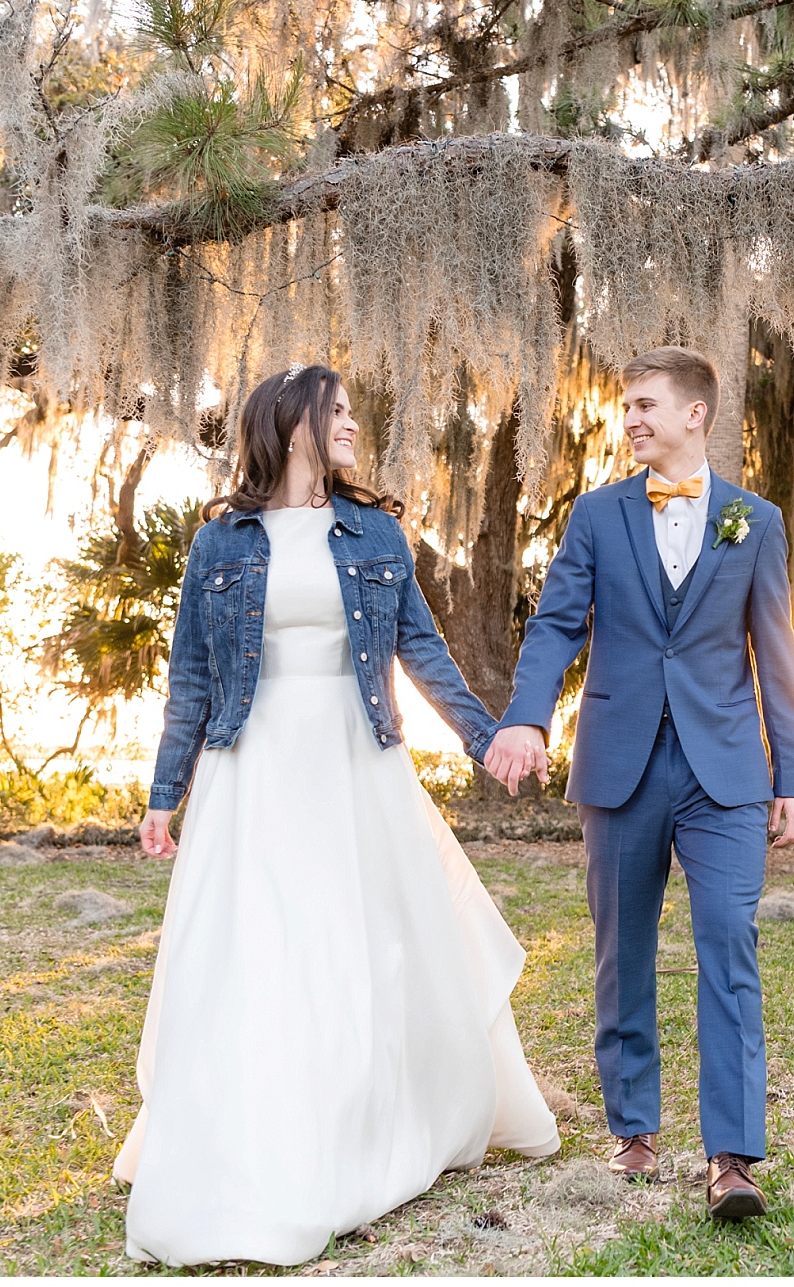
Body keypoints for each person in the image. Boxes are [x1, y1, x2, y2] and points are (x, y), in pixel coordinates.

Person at [112, 363, 559, 1268]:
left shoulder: (375, 532)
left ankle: (363, 1123)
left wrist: (486, 739)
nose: (354, 424)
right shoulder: (220, 541)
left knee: (361, 940)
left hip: (357, 763)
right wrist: (165, 793)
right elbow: (191, 676)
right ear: (292, 425)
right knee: (260, 944)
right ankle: (258, 1132)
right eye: (339, 412)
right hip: (251, 767)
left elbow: (422, 651)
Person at [484, 345, 794, 1221]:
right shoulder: (597, 515)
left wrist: (793, 774)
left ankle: (732, 1157)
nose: (629, 419)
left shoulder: (755, 521)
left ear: (695, 413)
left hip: (726, 772)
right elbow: (556, 624)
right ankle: (633, 1128)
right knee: (622, 948)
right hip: (619, 762)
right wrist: (527, 716)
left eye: (644, 405)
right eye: (625, 406)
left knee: (729, 946)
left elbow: (778, 653)